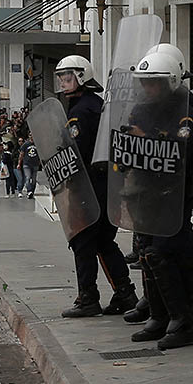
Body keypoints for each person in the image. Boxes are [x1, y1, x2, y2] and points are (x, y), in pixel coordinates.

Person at [127, 50, 193, 350]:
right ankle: (165, 315)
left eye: (155, 83)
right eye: (145, 83)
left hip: (173, 192)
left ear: (170, 81)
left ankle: (181, 320)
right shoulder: (141, 108)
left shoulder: (184, 104)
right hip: (145, 190)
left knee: (165, 252)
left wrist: (147, 140)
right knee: (149, 251)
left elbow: (184, 144)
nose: (149, 89)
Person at [54, 55, 139, 319]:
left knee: (83, 242)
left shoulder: (80, 111)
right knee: (104, 241)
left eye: (68, 78)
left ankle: (88, 298)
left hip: (89, 187)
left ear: (81, 77)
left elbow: (77, 151)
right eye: (61, 78)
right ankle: (125, 293)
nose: (63, 83)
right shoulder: (98, 104)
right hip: (107, 185)